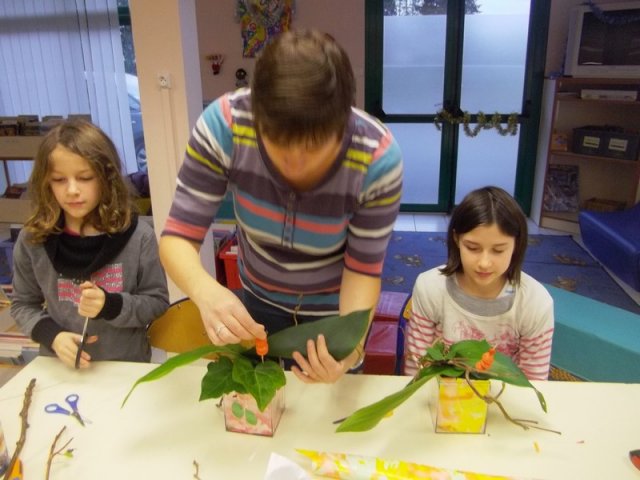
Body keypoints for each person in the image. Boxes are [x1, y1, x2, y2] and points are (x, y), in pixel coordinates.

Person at [160, 29, 403, 384]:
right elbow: (178, 236)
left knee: (325, 424)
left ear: (343, 125)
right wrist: (206, 291)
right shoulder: (226, 125)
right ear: (258, 120)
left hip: (333, 316)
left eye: (314, 148)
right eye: (278, 146)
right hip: (256, 302)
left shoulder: (376, 159)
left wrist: (349, 350)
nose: (295, 166)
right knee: (258, 417)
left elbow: (363, 271)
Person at [11, 119, 170, 368]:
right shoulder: (33, 239)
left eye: (85, 177)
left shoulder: (139, 236)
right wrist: (52, 336)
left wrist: (111, 305)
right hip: (61, 368)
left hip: (125, 367)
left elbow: (157, 303)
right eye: (59, 180)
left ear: (107, 178)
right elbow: (22, 304)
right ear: (45, 183)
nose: (72, 190)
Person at [403, 186, 554, 381]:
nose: (484, 263)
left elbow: (532, 384)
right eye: (473, 248)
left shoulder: (535, 303)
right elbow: (417, 370)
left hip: (503, 401)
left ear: (517, 244)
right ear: (457, 239)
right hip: (442, 399)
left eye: (498, 250)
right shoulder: (430, 287)